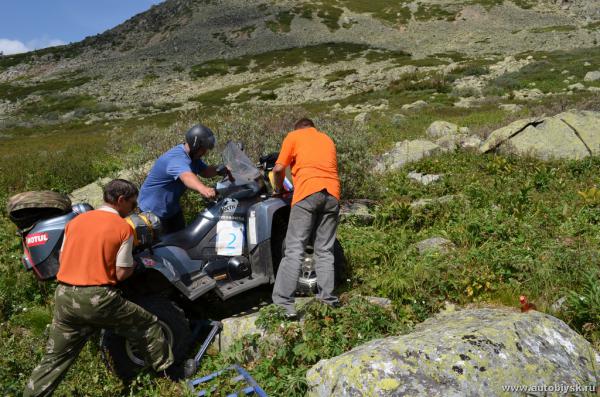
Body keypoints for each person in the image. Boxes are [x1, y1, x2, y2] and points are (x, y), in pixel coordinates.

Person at [24, 179, 193, 397]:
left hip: (64, 295)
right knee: (148, 323)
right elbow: (122, 273)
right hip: (96, 298)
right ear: (121, 200)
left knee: (55, 357)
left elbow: (63, 257)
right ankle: (172, 374)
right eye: (132, 204)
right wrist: (137, 264)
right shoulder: (122, 228)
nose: (133, 209)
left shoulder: (75, 222)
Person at [271, 118, 341, 319]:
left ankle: (284, 305)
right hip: (333, 195)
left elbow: (277, 169)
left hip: (307, 194)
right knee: (325, 250)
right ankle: (327, 301)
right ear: (312, 127)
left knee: (294, 250)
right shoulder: (327, 138)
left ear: (298, 128)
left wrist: (277, 189)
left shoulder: (294, 136)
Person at [138, 124, 230, 234]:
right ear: (195, 146)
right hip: (153, 212)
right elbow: (187, 176)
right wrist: (204, 189)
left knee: (181, 241)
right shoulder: (177, 159)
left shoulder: (193, 157)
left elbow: (205, 172)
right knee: (161, 247)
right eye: (203, 149)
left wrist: (224, 168)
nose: (205, 153)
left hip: (172, 209)